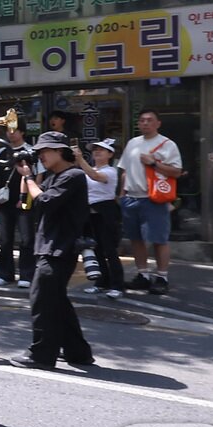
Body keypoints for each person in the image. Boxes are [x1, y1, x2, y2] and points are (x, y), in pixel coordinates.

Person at [10, 132, 94, 369]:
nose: (41, 156)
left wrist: (30, 180)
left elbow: (45, 201)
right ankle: (78, 352)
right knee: (57, 301)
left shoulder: (74, 175)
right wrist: (25, 176)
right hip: (49, 246)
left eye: (45, 151)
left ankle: (42, 355)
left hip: (61, 247)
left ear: (60, 151)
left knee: (42, 300)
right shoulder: (51, 177)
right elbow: (27, 204)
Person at [117, 110, 182, 296]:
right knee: (136, 239)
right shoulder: (132, 143)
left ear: (158, 123)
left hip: (153, 198)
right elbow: (124, 171)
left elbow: (177, 172)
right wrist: (122, 195)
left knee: (159, 239)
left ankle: (162, 277)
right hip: (131, 198)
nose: (145, 123)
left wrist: (154, 164)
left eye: (150, 120)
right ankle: (142, 275)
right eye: (142, 120)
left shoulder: (168, 145)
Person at [75, 138, 124, 298]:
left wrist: (80, 159)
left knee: (109, 250)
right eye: (95, 149)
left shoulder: (110, 171)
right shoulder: (88, 169)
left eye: (101, 150)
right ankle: (102, 282)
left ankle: (117, 285)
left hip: (106, 212)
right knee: (96, 249)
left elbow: (95, 176)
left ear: (110, 154)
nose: (96, 151)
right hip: (90, 213)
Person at [0, 124, 36, 288]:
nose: (11, 133)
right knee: (5, 239)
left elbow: (37, 175)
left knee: (26, 238)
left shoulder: (30, 150)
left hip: (25, 199)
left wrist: (28, 197)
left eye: (15, 130)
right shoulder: (1, 151)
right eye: (8, 130)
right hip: (5, 201)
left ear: (22, 132)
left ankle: (26, 275)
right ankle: (5, 274)